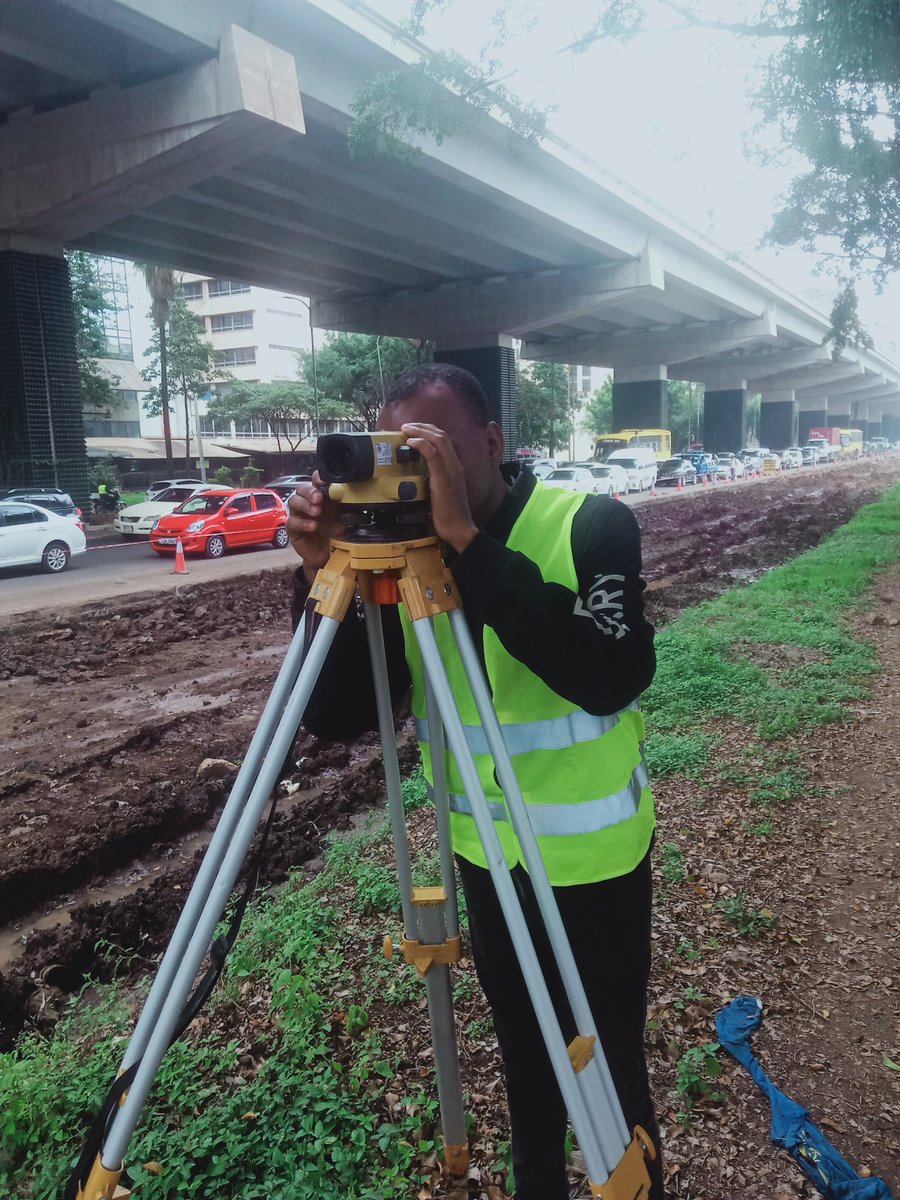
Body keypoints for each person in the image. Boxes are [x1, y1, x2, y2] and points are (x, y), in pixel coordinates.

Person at [286, 363, 663, 1200]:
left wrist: (468, 545)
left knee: (610, 1070)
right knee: (528, 1076)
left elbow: (609, 673)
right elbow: (346, 712)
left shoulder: (591, 523)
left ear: (491, 444)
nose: (421, 479)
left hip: (594, 867)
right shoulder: (402, 556)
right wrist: (318, 575)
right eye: (401, 455)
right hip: (491, 865)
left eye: (436, 452)